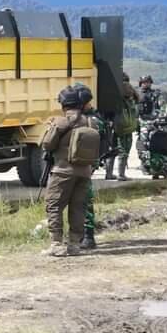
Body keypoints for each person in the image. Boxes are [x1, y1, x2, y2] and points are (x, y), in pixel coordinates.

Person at [40, 86, 100, 257]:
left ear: (64, 104)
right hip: (85, 171)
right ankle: (74, 244)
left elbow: (47, 144)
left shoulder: (61, 122)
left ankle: (57, 244)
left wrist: (50, 128)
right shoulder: (91, 122)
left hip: (63, 171)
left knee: (54, 205)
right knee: (78, 207)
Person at [73, 84, 107, 249]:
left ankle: (88, 235)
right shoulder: (83, 117)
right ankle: (78, 234)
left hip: (87, 164)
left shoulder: (93, 120)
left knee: (85, 198)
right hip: (77, 163)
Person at [106, 72, 139, 181]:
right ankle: (121, 174)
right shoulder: (127, 88)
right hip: (125, 127)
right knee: (124, 150)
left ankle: (109, 173)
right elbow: (138, 99)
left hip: (113, 126)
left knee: (112, 150)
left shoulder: (111, 91)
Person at [136, 75, 166, 160]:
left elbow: (162, 107)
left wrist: (161, 118)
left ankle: (155, 159)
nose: (146, 84)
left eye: (148, 82)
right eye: (144, 82)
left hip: (155, 122)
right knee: (142, 142)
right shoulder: (136, 94)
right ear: (140, 83)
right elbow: (133, 108)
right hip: (142, 122)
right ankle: (144, 161)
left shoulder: (156, 94)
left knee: (156, 140)